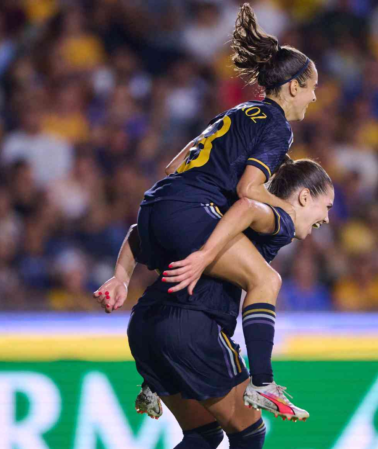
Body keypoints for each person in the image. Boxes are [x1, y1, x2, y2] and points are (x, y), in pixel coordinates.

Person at [98, 2, 318, 419]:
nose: (313, 96)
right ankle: (263, 384)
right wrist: (284, 206)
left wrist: (122, 274)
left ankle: (156, 380)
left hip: (156, 206)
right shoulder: (278, 126)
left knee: (193, 282)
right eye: (310, 87)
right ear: (292, 87)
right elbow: (248, 189)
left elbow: (172, 167)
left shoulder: (233, 114)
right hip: (190, 208)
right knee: (264, 279)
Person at [95, 158, 332, 449]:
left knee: (203, 433)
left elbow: (138, 230)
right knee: (249, 434)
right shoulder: (275, 215)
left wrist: (121, 277)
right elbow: (249, 206)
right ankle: (264, 384)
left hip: (146, 323)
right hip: (192, 326)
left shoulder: (208, 210)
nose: (326, 218)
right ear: (302, 197)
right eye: (325, 206)